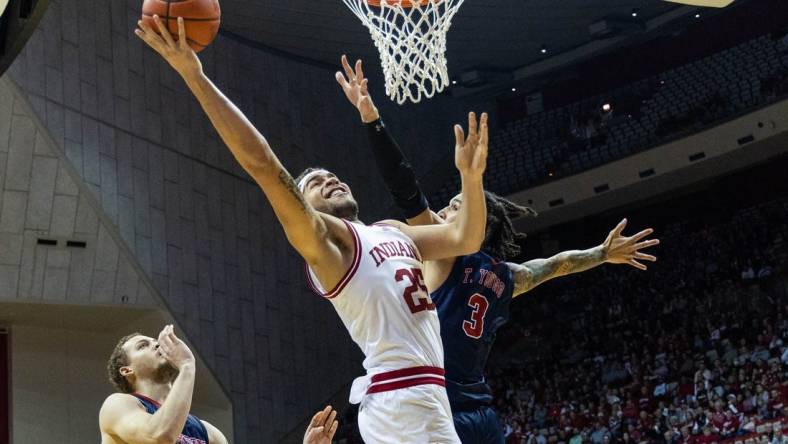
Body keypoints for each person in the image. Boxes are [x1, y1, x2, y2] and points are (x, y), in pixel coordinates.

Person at [135, 16, 491, 443]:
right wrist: (196, 76)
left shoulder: (393, 231)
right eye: (313, 184)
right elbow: (263, 165)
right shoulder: (328, 246)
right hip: (400, 401)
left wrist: (471, 180)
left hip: (427, 396)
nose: (328, 179)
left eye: (330, 174)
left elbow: (464, 239)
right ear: (305, 207)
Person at [336, 55, 660, 443]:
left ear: (473, 220)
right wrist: (602, 254)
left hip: (440, 410)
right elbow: (556, 265)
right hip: (482, 415)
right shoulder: (507, 276)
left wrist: (372, 120)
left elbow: (406, 191)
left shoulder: (447, 254)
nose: (442, 209)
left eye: (453, 206)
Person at [99, 325, 228, 444]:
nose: (157, 345)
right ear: (127, 370)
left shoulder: (209, 433)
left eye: (156, 342)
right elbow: (159, 437)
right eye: (142, 346)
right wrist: (187, 365)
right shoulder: (117, 405)